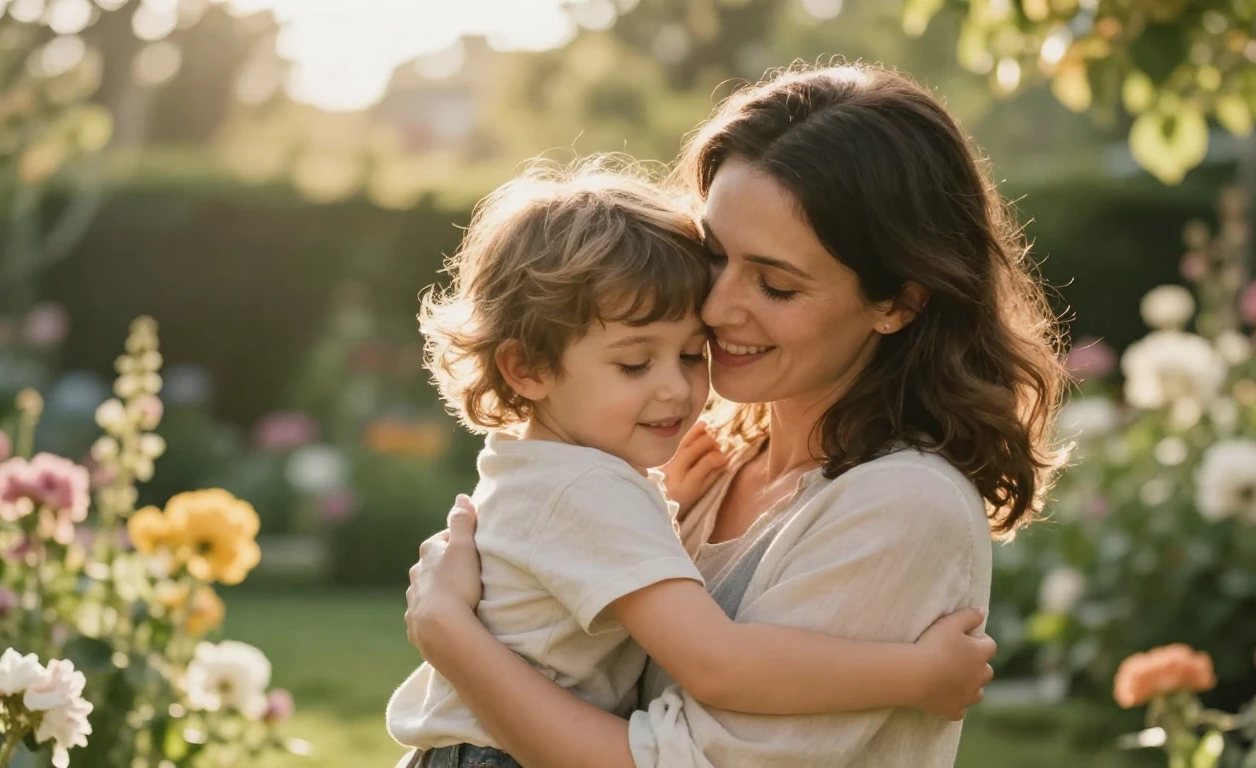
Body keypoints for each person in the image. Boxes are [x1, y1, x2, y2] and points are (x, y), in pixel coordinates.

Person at [405, 62, 1066, 768]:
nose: (715, 309)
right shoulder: (696, 461)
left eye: (775, 284)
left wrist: (453, 639)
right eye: (713, 256)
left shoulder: (901, 503)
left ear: (898, 302)